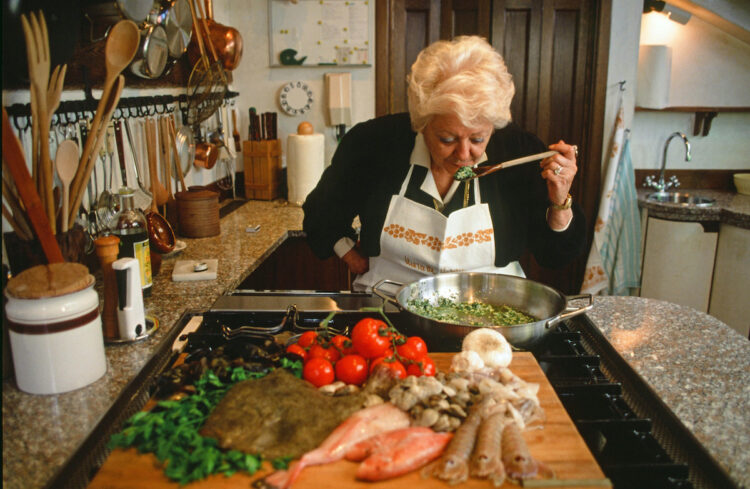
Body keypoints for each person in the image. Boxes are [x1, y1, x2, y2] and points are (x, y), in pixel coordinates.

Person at [303, 36, 586, 290]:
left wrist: (559, 202)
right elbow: (321, 212)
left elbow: (554, 256)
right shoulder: (374, 143)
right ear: (422, 121)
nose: (463, 154)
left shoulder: (521, 152)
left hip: (492, 307)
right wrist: (349, 254)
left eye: (477, 139)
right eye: (447, 139)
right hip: (390, 305)